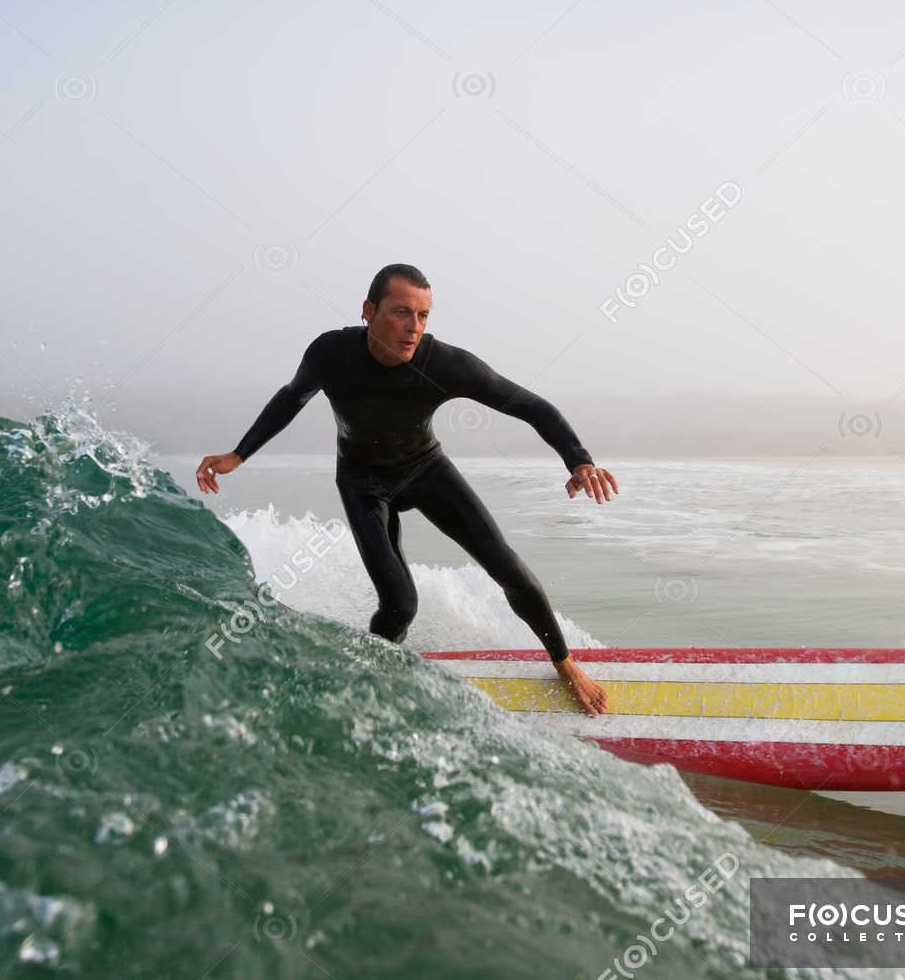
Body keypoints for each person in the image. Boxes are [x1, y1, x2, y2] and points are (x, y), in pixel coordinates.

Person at [196, 263, 617, 715]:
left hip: (425, 470)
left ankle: (565, 662)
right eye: (401, 312)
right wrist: (239, 455)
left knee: (507, 566)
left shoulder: (446, 364)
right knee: (399, 605)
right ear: (369, 311)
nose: (413, 328)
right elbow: (292, 396)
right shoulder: (330, 354)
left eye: (423, 316)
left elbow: (531, 406)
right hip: (362, 484)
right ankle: (365, 682)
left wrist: (578, 459)